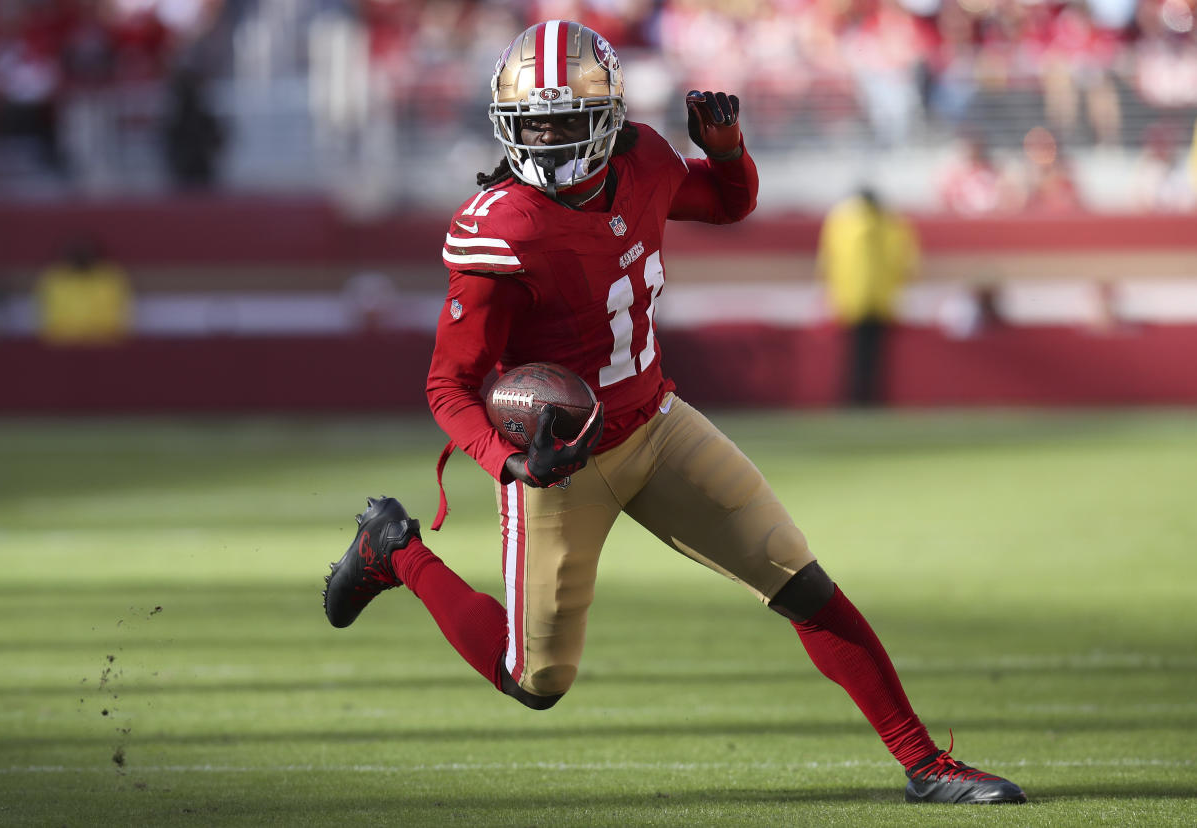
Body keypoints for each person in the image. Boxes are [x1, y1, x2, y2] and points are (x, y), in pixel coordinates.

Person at [323, 20, 1025, 805]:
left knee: (799, 578)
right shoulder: (502, 226)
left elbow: (728, 204)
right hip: (563, 466)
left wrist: (727, 150)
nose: (548, 138)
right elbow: (448, 387)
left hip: (657, 423)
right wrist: (511, 460)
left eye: (564, 120)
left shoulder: (647, 159)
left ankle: (927, 765)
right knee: (535, 679)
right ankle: (394, 550)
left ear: (608, 119)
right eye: (533, 122)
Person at [817, 187, 918, 406]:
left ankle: (855, 399)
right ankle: (867, 399)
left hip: (853, 299)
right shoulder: (892, 223)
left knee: (855, 354)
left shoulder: (841, 222)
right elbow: (905, 261)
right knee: (871, 355)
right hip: (878, 298)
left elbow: (828, 261)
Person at [35, 236, 133, 345]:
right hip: (63, 346)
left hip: (103, 346)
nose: (80, 257)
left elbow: (120, 320)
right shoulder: (53, 279)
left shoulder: (111, 278)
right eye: (75, 254)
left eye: (85, 253)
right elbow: (47, 321)